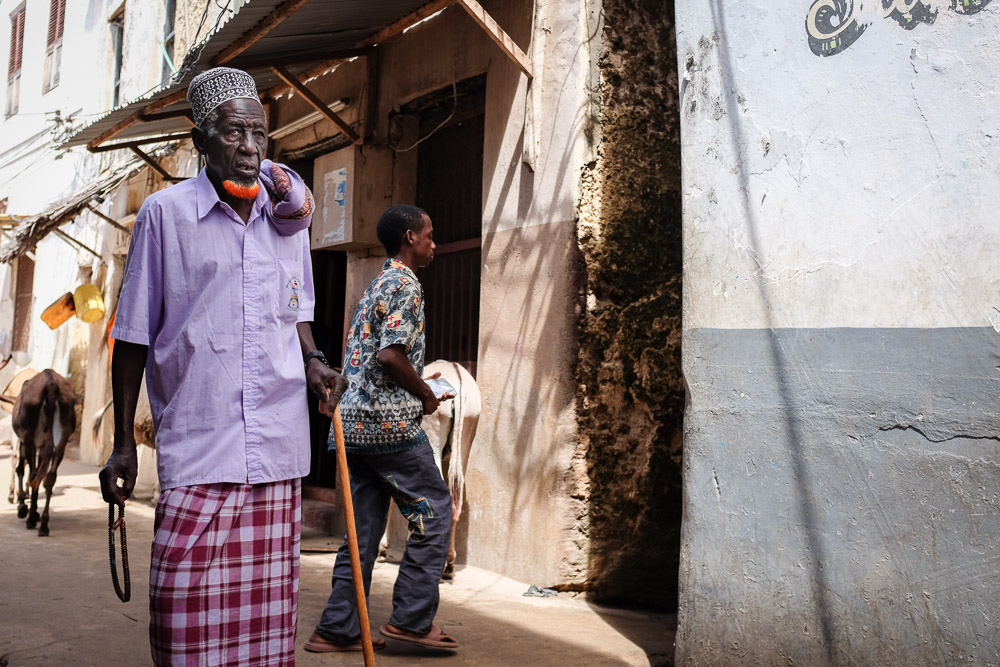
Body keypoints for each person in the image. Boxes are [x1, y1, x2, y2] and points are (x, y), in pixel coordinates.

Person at [98, 67, 347, 666]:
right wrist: (123, 444)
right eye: (236, 133)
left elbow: (296, 308)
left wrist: (313, 360)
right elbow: (132, 334)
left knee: (265, 632)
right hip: (200, 442)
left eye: (260, 135)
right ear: (202, 136)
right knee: (181, 615)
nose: (250, 149)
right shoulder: (164, 215)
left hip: (274, 446)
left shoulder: (287, 217)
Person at [305, 205, 460, 653]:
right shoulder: (406, 286)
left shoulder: (378, 284)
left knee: (361, 532)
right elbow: (391, 356)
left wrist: (418, 383)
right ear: (410, 237)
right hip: (386, 426)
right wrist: (427, 395)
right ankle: (411, 621)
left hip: (351, 426)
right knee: (434, 510)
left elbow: (377, 357)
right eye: (430, 235)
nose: (434, 243)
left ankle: (335, 630)